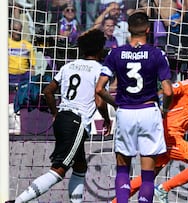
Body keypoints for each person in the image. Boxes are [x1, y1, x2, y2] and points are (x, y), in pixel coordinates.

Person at [12, 29, 112, 203]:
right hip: (76, 122)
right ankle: (18, 201)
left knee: (80, 166)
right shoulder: (101, 70)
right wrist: (107, 119)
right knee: (58, 170)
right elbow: (99, 102)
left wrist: (55, 113)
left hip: (63, 118)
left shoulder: (69, 66)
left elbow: (48, 91)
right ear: (99, 50)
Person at [111, 57, 188, 203]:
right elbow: (167, 91)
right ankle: (163, 188)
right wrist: (160, 108)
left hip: (169, 136)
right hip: (170, 134)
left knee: (149, 176)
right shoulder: (185, 85)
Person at [95, 11, 173, 203]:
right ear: (148, 29)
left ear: (128, 29)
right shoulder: (157, 53)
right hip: (149, 111)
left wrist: (117, 104)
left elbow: (99, 89)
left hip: (126, 112)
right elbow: (168, 91)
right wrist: (165, 110)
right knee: (147, 172)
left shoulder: (115, 53)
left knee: (123, 166)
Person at [8, 20, 36, 88]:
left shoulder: (28, 45)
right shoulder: (5, 43)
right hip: (8, 75)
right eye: (15, 30)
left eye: (19, 30)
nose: (17, 32)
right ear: (10, 30)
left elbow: (32, 66)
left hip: (23, 77)